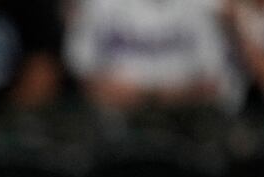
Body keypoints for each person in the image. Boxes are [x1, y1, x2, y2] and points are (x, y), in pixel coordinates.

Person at [65, 0, 234, 111]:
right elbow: (79, 67)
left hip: (184, 121)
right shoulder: (100, 4)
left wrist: (156, 98)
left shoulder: (200, 5)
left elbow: (216, 80)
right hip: (114, 121)